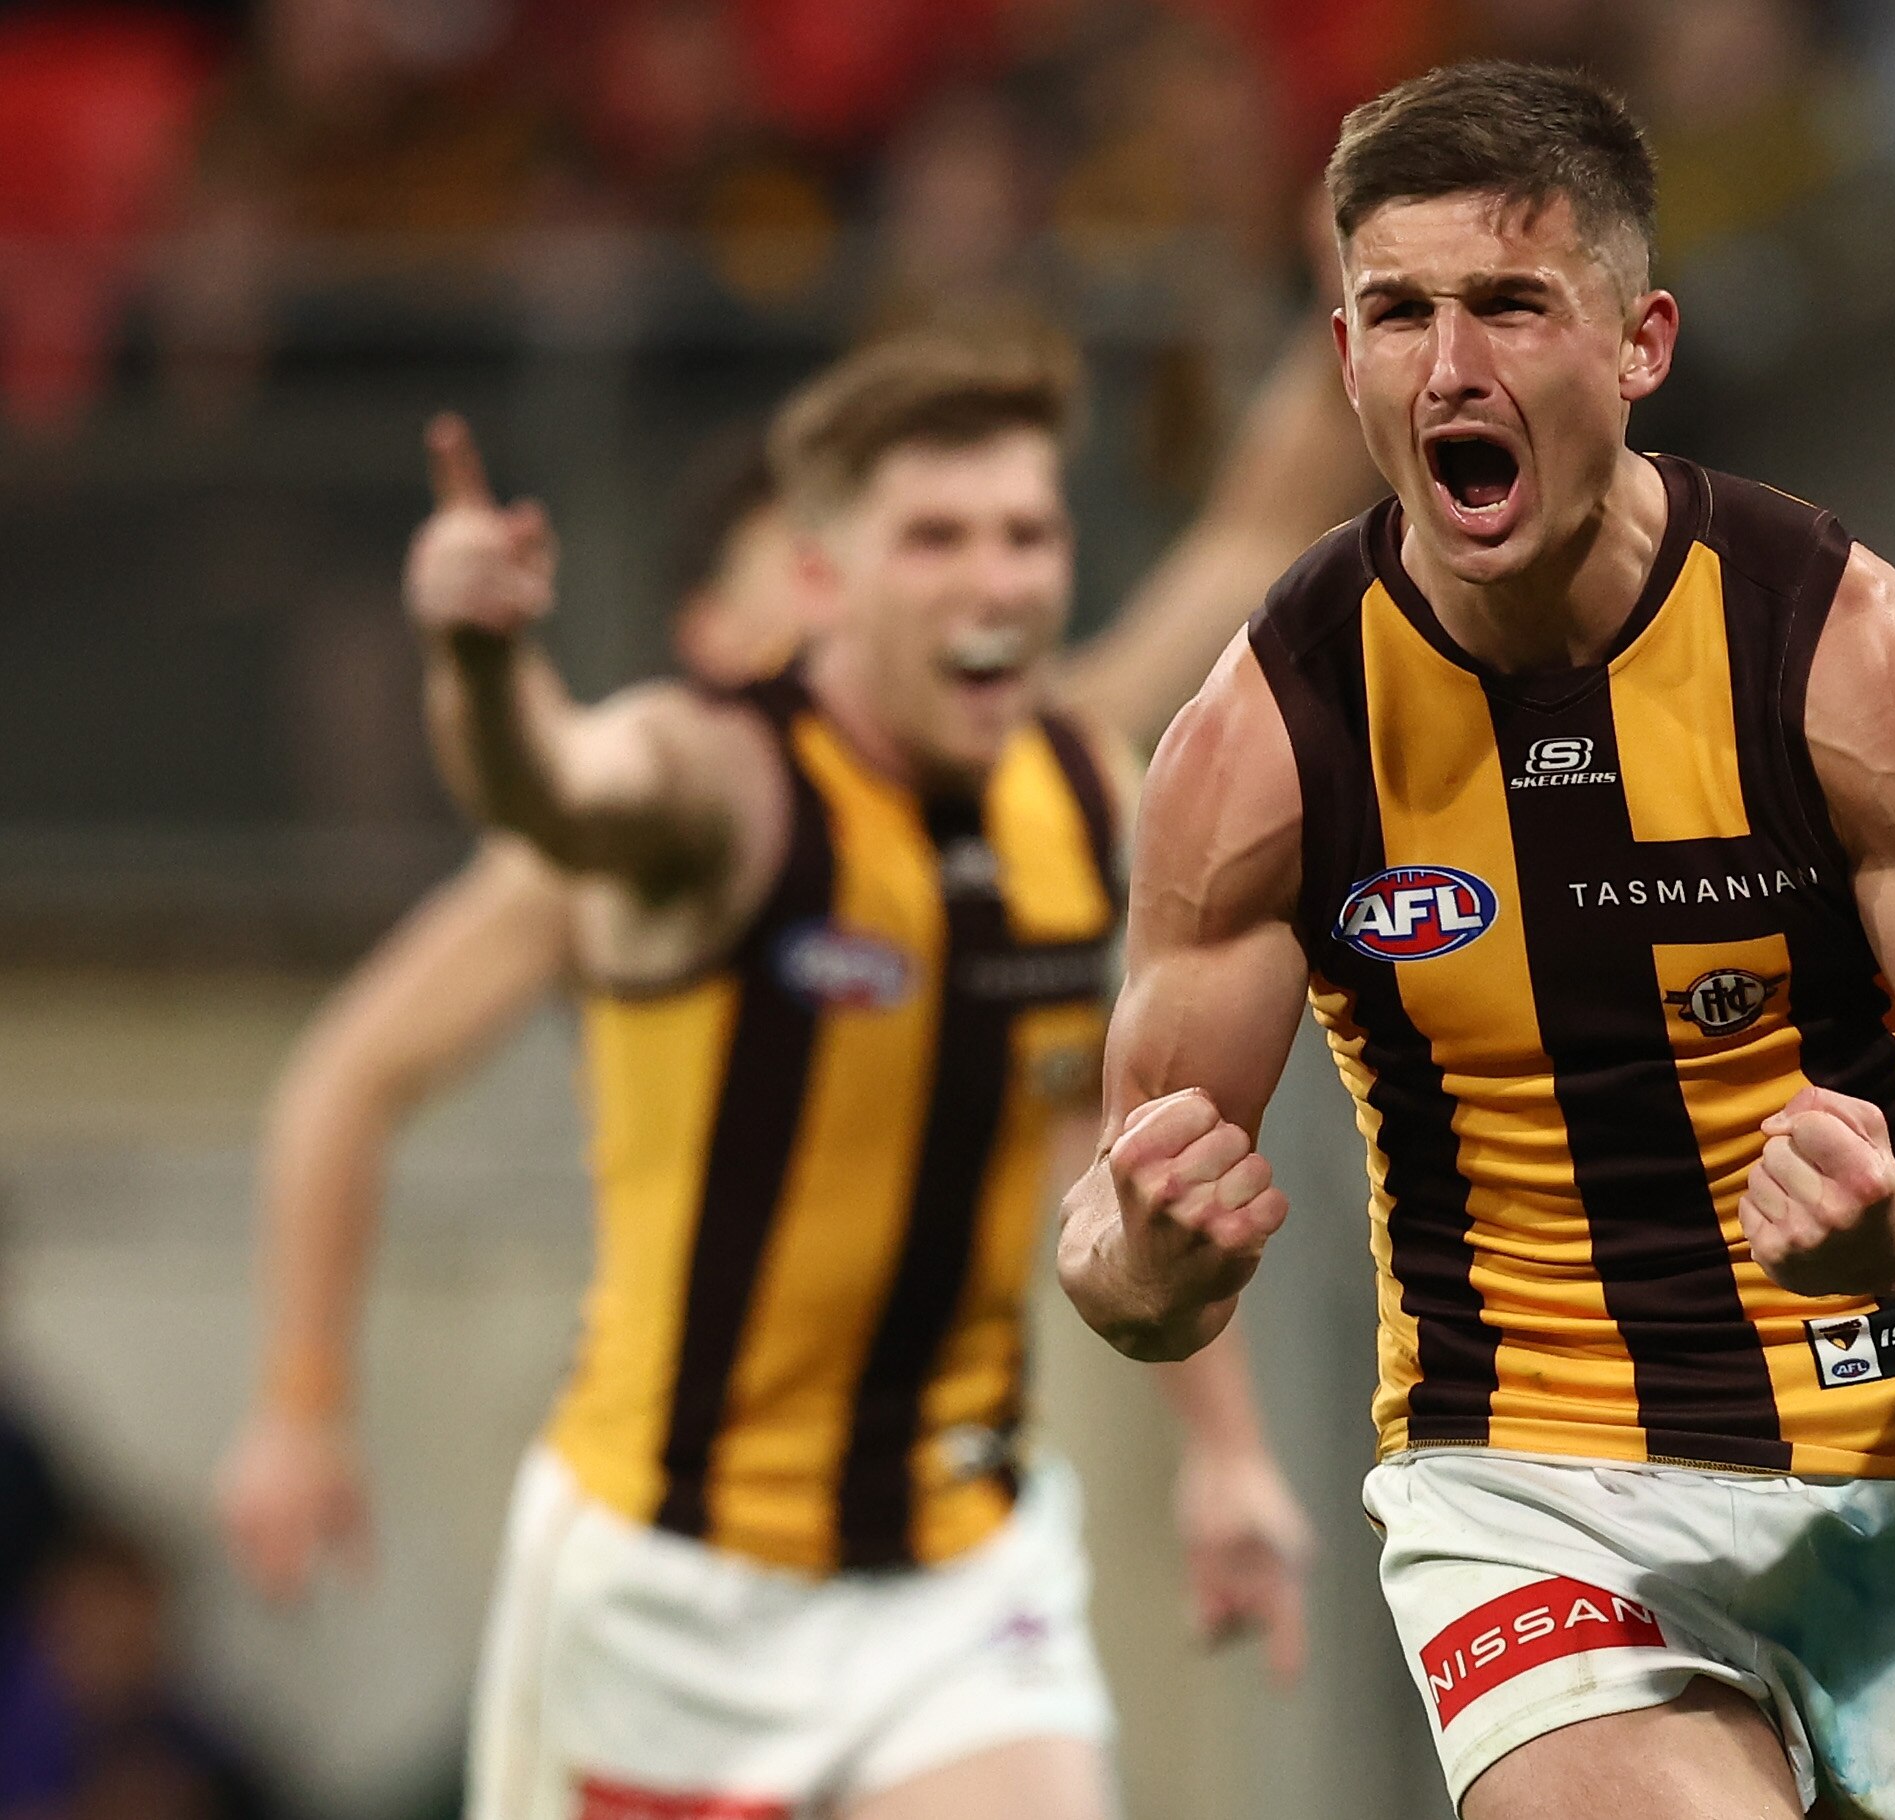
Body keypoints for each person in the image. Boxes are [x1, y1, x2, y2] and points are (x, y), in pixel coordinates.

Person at [1058, 59, 1895, 1820]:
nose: (1449, 368)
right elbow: (1112, 1232)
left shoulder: (1836, 657)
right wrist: (1146, 1262)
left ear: (1637, 344)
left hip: (1887, 1487)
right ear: (1340, 352)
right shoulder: (1265, 735)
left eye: (1509, 304)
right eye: (1397, 313)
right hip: (1522, 1491)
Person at [217, 324, 1374, 1820]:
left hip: (959, 1571)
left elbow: (1255, 536)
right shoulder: (716, 790)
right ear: (821, 581)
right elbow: (544, 787)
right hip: (670, 1592)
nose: (993, 579)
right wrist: (479, 664)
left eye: (1025, 534)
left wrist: (1368, 289)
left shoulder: (1076, 777)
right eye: (936, 537)